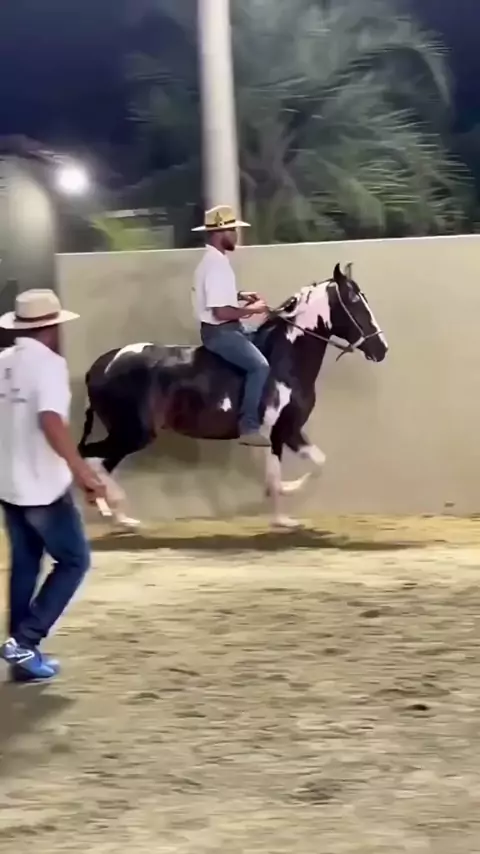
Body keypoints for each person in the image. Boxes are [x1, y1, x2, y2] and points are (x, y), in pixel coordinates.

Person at [0, 289, 106, 683]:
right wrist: (82, 472)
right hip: (42, 487)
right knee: (74, 560)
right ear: (52, 327)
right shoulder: (49, 365)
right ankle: (26, 640)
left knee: (26, 563)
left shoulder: (3, 362)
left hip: (8, 483)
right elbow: (50, 421)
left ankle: (21, 654)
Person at [192, 204, 271, 447]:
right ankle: (249, 426)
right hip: (221, 334)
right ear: (219, 233)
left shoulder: (214, 261)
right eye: (232, 230)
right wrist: (253, 310)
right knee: (259, 367)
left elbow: (217, 296)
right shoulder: (216, 265)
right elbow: (221, 312)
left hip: (227, 329)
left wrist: (240, 295)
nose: (236, 235)